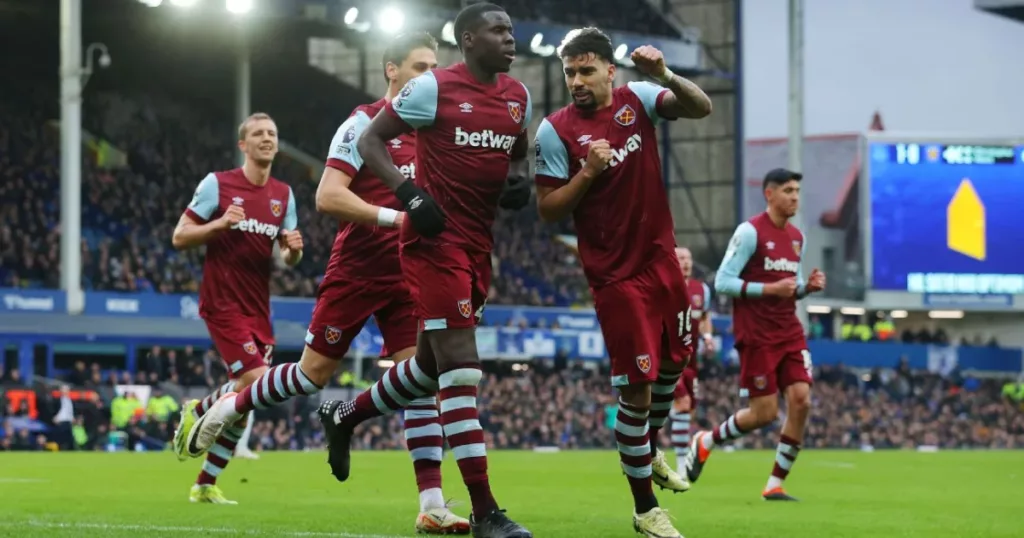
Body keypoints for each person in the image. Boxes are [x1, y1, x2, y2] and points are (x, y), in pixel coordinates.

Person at [193, 4, 533, 537]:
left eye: (434, 66)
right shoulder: (361, 123)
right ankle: (231, 406)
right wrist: (401, 213)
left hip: (415, 266)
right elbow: (329, 196)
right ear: (391, 71)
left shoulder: (437, 116)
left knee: (424, 385)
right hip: (360, 265)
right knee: (312, 375)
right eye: (418, 67)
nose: (430, 76)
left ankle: (432, 503)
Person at [532, 27, 712, 538]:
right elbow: (546, 210)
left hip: (661, 263)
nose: (576, 81)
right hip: (615, 278)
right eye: (570, 72)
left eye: (586, 70)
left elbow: (701, 109)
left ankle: (647, 449)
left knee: (674, 366)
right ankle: (644, 509)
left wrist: (666, 75)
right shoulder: (556, 131)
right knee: (635, 390)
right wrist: (587, 173)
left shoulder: (641, 98)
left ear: (611, 70)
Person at [170, 112, 304, 504]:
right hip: (223, 302)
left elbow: (286, 260)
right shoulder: (219, 184)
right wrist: (220, 225)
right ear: (243, 145)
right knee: (257, 383)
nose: (267, 138)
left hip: (258, 309)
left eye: (272, 134)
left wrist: (293, 252)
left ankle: (205, 483)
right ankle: (199, 409)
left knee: (246, 405)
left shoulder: (284, 195)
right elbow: (180, 236)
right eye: (258, 134)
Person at [684, 168, 826, 501]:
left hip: (789, 331)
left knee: (801, 400)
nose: (794, 197)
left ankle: (775, 484)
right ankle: (706, 441)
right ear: (769, 194)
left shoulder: (797, 238)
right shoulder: (749, 232)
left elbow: (789, 288)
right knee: (763, 414)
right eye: (788, 190)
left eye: (797, 191)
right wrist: (770, 288)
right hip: (757, 334)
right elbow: (722, 282)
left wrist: (807, 288)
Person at [669, 247, 713, 475]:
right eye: (681, 258)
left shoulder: (701, 290)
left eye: (688, 258)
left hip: (690, 360)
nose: (686, 262)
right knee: (683, 403)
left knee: (686, 410)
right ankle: (680, 466)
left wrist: (707, 337)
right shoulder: (664, 287)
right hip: (667, 357)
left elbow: (705, 317)